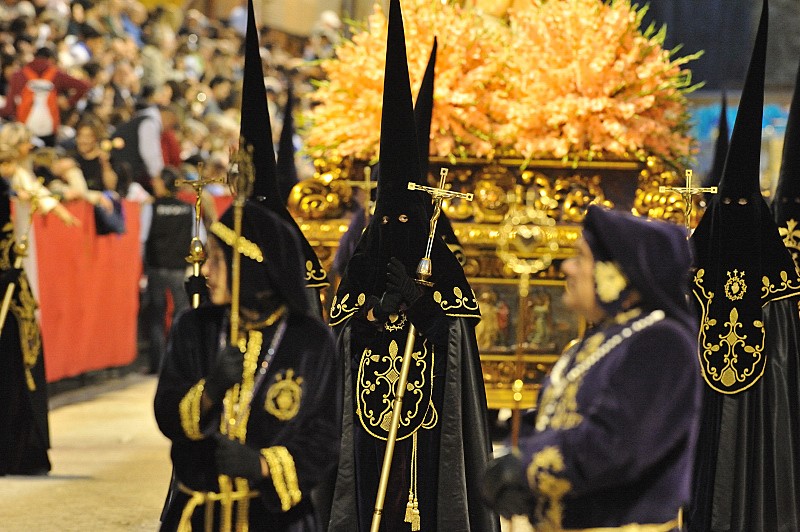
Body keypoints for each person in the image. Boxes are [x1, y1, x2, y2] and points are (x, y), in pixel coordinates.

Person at [327, 1, 499, 530]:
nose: (398, 225)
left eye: (409, 217)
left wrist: (426, 307)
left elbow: (458, 328)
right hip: (369, 410)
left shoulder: (438, 256)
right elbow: (343, 319)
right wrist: (373, 309)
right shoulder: (368, 252)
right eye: (390, 217)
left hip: (428, 417)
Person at [481, 205, 702, 530]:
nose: (566, 267)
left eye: (580, 257)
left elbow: (618, 444)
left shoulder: (661, 342)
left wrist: (526, 466)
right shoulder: (601, 340)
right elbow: (557, 420)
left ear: (617, 274)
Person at [154, 199, 340, 531]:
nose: (205, 270)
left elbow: (324, 438)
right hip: (198, 516)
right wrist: (210, 390)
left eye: (216, 259)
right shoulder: (194, 328)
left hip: (275, 521)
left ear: (249, 267)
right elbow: (167, 414)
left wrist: (264, 465)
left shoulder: (310, 341)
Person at [141, 165, 193, 375]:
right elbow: (200, 237)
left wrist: (142, 269)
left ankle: (157, 364)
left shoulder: (151, 207)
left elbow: (143, 239)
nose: (154, 184)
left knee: (156, 316)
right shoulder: (188, 208)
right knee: (181, 316)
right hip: (180, 269)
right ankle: (179, 363)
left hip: (156, 268)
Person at [0, 46, 90, 147]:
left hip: (24, 129)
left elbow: (9, 108)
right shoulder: (57, 75)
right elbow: (84, 86)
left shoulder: (18, 75)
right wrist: (68, 103)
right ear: (51, 59)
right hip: (49, 129)